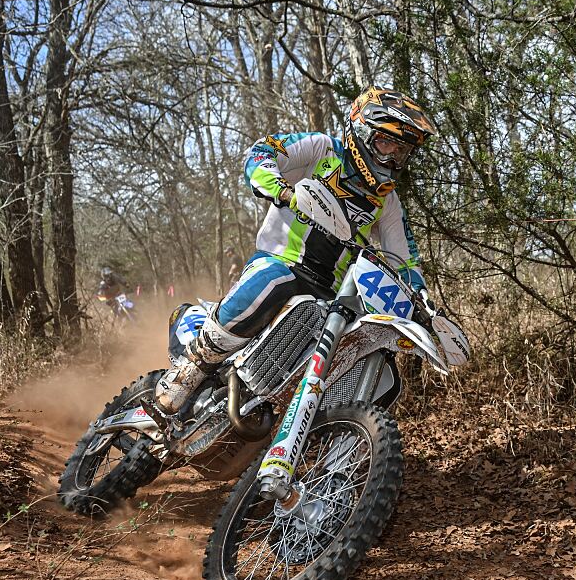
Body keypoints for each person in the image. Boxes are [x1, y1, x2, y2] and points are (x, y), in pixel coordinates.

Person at [154, 87, 437, 415]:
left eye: (401, 152)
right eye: (386, 144)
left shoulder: (387, 202)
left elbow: (405, 258)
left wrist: (422, 300)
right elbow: (263, 151)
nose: (391, 159)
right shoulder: (322, 149)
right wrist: (280, 189)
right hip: (281, 260)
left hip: (331, 294)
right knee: (275, 280)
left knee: (356, 336)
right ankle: (194, 367)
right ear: (363, 131)